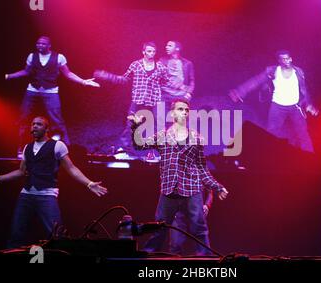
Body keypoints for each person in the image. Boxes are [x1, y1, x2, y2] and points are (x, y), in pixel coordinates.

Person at [0, 116, 108, 248]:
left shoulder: (57, 146)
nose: (34, 126)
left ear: (47, 129)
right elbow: (21, 171)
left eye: (39, 124)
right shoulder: (27, 148)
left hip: (46, 195)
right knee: (16, 233)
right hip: (26, 195)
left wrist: (89, 183)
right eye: (33, 124)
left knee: (56, 233)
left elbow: (71, 168)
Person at [128, 99, 229, 255]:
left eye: (186, 110)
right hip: (169, 190)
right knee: (159, 227)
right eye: (180, 109)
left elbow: (202, 168)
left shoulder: (197, 138)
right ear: (172, 113)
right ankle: (146, 258)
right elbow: (138, 145)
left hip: (192, 190)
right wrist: (135, 126)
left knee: (199, 228)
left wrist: (217, 186)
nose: (184, 112)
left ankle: (206, 261)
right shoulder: (162, 136)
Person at [5, 35, 100, 149]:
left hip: (50, 91)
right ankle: (19, 147)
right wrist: (8, 76)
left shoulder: (59, 57)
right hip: (32, 90)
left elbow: (68, 73)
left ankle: (67, 147)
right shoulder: (32, 56)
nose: (40, 45)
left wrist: (83, 81)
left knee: (57, 119)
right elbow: (26, 71)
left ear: (49, 45)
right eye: (38, 43)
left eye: (43, 43)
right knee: (23, 118)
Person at [229, 50, 318, 152]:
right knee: (272, 132)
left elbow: (303, 89)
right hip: (277, 107)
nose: (286, 61)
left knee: (303, 134)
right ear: (279, 61)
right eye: (283, 59)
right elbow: (257, 80)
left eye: (288, 58)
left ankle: (309, 156)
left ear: (291, 58)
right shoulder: (273, 71)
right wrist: (240, 91)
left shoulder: (298, 72)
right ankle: (269, 156)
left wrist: (309, 104)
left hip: (295, 107)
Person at [94, 42, 169, 158]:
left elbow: (165, 82)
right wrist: (108, 76)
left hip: (154, 100)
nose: (151, 54)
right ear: (143, 52)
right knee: (130, 125)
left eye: (153, 51)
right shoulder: (136, 65)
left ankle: (157, 152)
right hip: (138, 99)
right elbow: (124, 79)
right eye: (149, 51)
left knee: (158, 126)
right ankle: (124, 149)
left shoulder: (161, 67)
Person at [158, 40, 195, 127]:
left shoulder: (187, 63)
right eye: (166, 45)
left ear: (177, 48)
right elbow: (157, 76)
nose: (166, 47)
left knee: (181, 122)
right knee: (161, 121)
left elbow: (192, 80)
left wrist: (189, 93)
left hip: (180, 96)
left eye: (170, 46)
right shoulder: (162, 60)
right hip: (165, 95)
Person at [169, 189, 213, 255]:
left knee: (202, 246)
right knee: (175, 244)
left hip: (196, 210)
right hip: (179, 212)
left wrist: (207, 205)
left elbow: (210, 192)